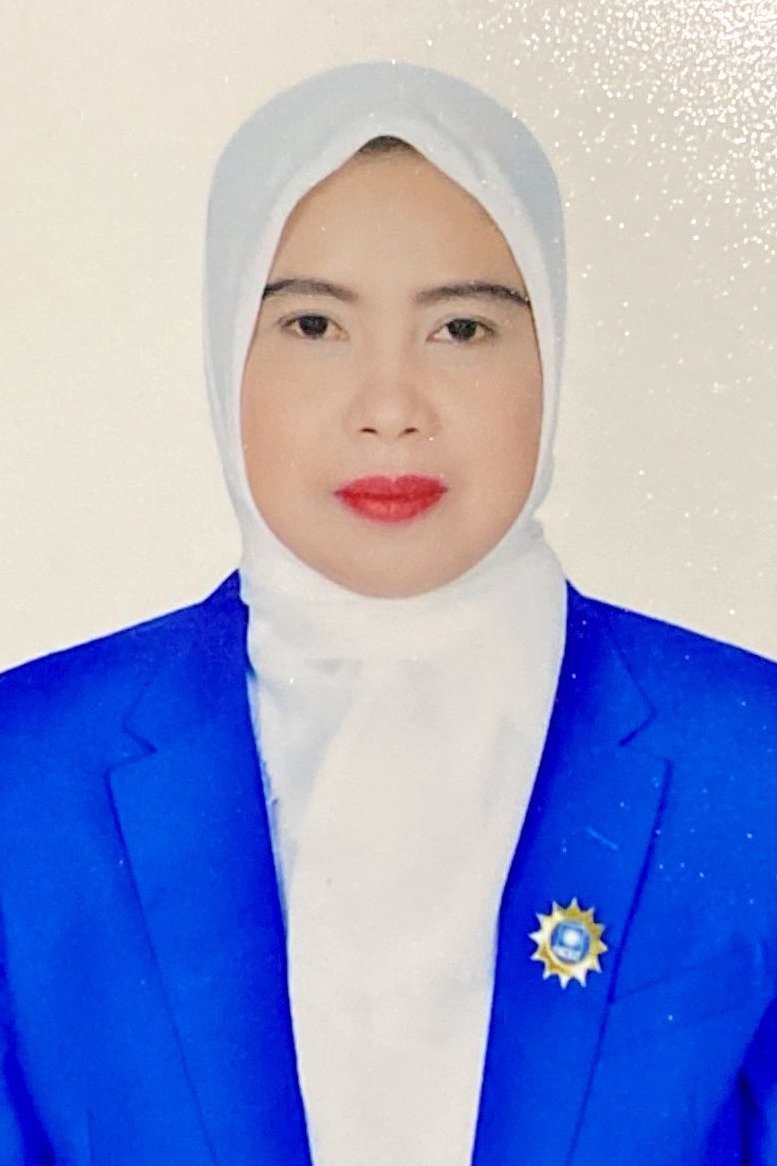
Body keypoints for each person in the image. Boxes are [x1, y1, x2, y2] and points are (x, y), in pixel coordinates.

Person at [0, 60, 775, 1166]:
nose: (390, 408)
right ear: (224, 348)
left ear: (551, 348)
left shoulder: (749, 755)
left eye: (460, 329)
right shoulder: (27, 771)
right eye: (314, 323)